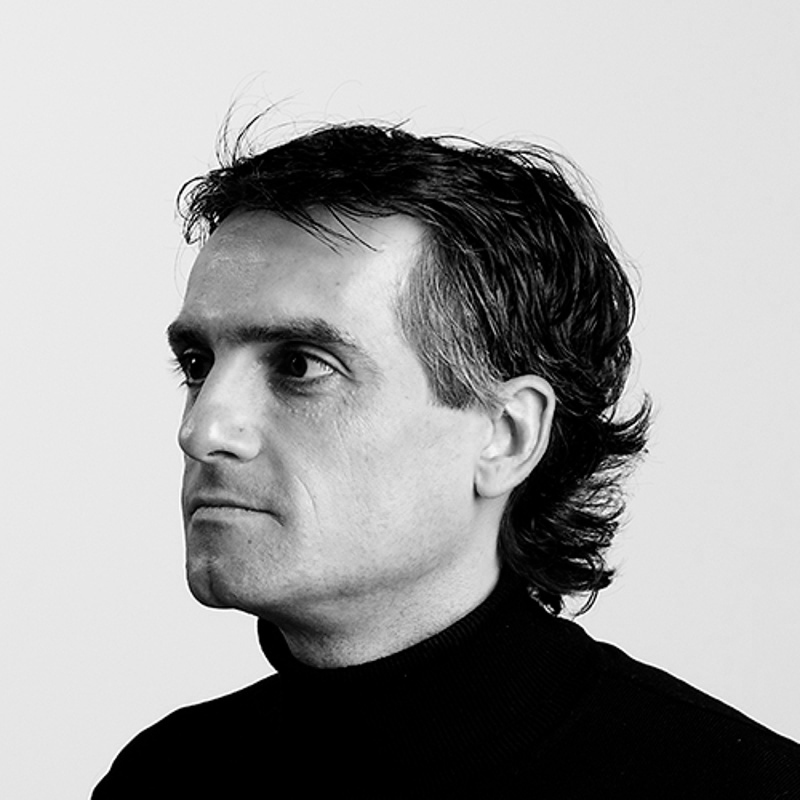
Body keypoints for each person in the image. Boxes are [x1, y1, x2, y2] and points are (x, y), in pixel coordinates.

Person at [93, 120, 800, 797]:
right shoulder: (165, 778)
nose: (202, 429)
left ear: (507, 435)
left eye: (301, 365)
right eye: (198, 364)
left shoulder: (740, 787)